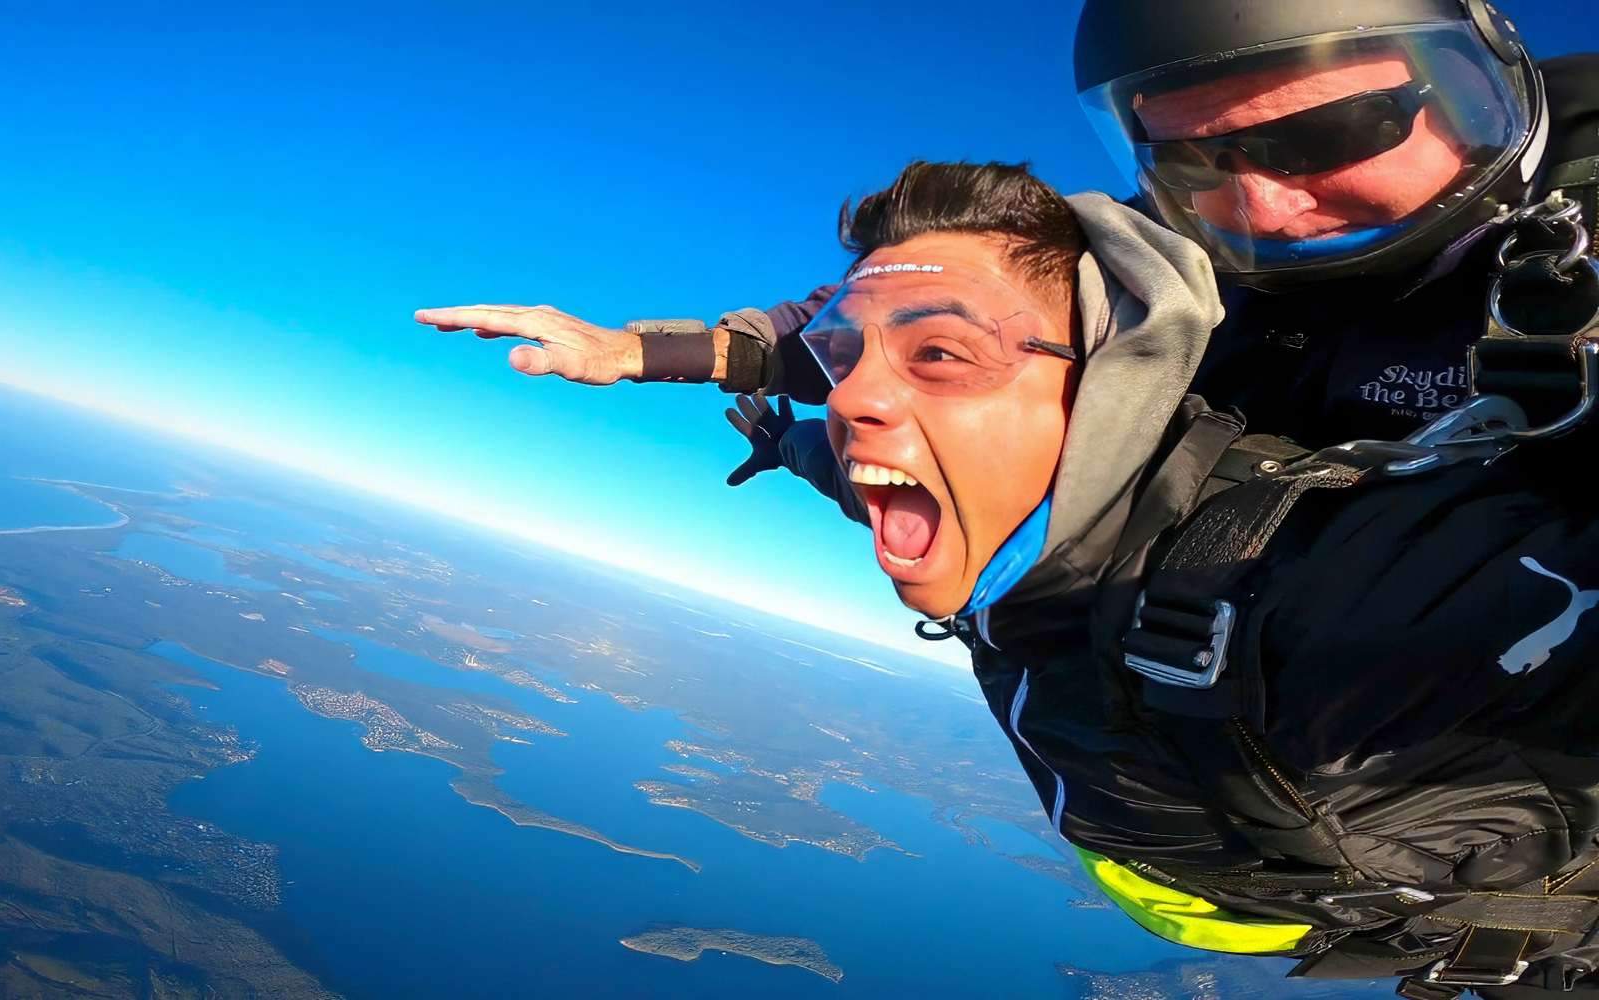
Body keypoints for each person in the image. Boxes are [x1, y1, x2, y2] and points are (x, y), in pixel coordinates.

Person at [426, 159, 1599, 997]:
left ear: (1112, 377)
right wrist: (646, 356)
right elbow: (825, 391)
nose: (851, 399)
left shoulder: (1344, 603)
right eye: (841, 362)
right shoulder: (978, 504)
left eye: (941, 355)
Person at [416, 1, 1598, 466]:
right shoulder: (1161, 263)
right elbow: (929, 322)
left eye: (1327, 133)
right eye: (1194, 164)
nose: (1266, 206)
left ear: (1479, 80)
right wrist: (638, 351)